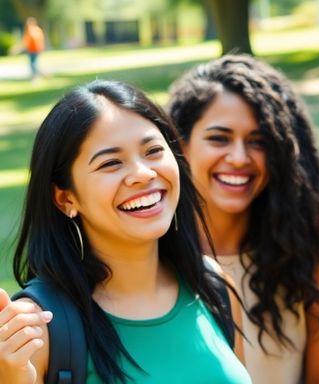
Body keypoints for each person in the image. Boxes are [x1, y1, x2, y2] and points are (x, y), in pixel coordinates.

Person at [0, 80, 249, 384]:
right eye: (111, 163)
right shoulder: (36, 331)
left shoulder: (213, 285)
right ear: (66, 198)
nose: (143, 174)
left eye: (154, 150)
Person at [168, 55, 319, 384]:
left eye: (259, 142)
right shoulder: (151, 247)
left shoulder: (317, 239)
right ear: (180, 145)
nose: (239, 158)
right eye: (219, 138)